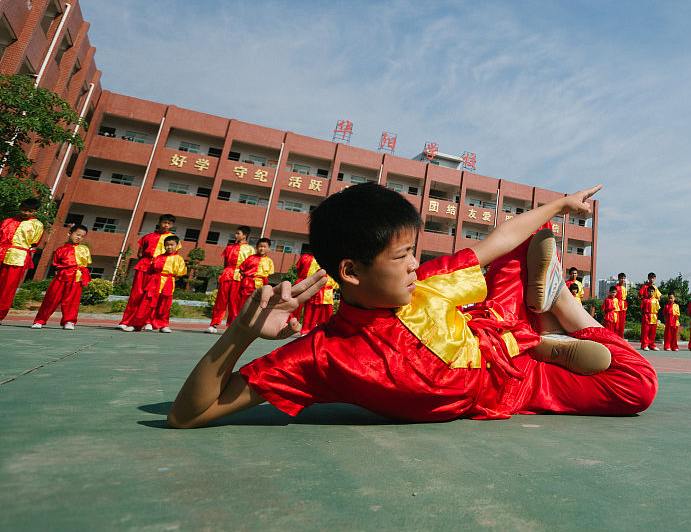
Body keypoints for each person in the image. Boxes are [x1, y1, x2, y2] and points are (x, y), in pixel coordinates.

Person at [167, 183, 657, 428]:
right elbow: (189, 415)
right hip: (508, 382)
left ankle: (555, 305)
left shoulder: (426, 280)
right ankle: (554, 320)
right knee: (637, 385)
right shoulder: (322, 355)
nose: (414, 264)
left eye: (414, 252)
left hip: (491, 328)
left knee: (529, 239)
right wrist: (242, 333)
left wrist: (558, 206)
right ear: (352, 272)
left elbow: (500, 236)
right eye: (402, 256)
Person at [117, 214, 175, 331]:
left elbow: (173, 256)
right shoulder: (148, 237)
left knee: (153, 297)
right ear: (159, 222)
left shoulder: (172, 239)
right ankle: (126, 321)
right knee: (136, 295)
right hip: (144, 268)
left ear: (172, 225)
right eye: (164, 222)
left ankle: (148, 321)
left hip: (159, 271)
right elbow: (140, 253)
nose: (166, 225)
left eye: (169, 223)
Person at [32, 224, 91, 329]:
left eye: (82, 236)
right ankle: (40, 320)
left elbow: (86, 264)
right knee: (51, 298)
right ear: (69, 233)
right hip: (61, 276)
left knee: (72, 301)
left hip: (76, 278)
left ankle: (69, 321)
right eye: (77, 234)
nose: (79, 238)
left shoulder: (84, 249)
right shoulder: (60, 249)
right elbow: (56, 263)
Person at [126, 234, 188, 332]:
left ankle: (163, 325)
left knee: (164, 305)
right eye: (167, 245)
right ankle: (136, 324)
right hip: (154, 282)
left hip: (168, 282)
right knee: (146, 303)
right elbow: (151, 270)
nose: (169, 247)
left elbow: (180, 272)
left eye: (172, 245)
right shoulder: (158, 257)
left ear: (177, 246)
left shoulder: (179, 259)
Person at [0, 198, 45, 321]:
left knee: (7, 288)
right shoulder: (7, 221)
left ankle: (0, 315)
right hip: (1, 252)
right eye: (24, 210)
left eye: (29, 211)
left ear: (35, 211)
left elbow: (33, 244)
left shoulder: (37, 225)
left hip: (17, 258)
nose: (25, 213)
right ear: (20, 208)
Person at [209, 226, 254, 333]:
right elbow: (225, 263)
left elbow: (250, 265)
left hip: (240, 277)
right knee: (220, 301)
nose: (236, 235)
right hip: (227, 275)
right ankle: (214, 324)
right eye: (236, 233)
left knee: (235, 303)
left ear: (244, 235)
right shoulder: (229, 248)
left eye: (238, 233)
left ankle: (232, 326)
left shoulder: (250, 249)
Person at [233, 238, 276, 317]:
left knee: (258, 304)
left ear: (269, 248)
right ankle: (239, 320)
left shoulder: (269, 261)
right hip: (247, 284)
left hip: (261, 285)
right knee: (242, 303)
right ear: (256, 247)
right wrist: (247, 278)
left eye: (264, 247)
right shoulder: (250, 258)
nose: (262, 248)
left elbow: (269, 273)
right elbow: (241, 270)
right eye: (260, 246)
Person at [298, 250, 335, 334]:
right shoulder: (309, 258)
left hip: (327, 292)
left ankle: (325, 332)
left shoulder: (334, 260)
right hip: (314, 289)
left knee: (327, 315)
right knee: (309, 311)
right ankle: (306, 331)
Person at [638, 272, 661, 351]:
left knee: (653, 331)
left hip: (653, 313)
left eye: (653, 278)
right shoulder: (645, 287)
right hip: (646, 312)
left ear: (655, 279)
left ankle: (652, 344)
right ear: (648, 278)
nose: (651, 279)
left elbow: (659, 297)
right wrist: (644, 302)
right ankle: (644, 344)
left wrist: (654, 302)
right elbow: (639, 296)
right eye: (650, 278)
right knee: (645, 330)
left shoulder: (655, 287)